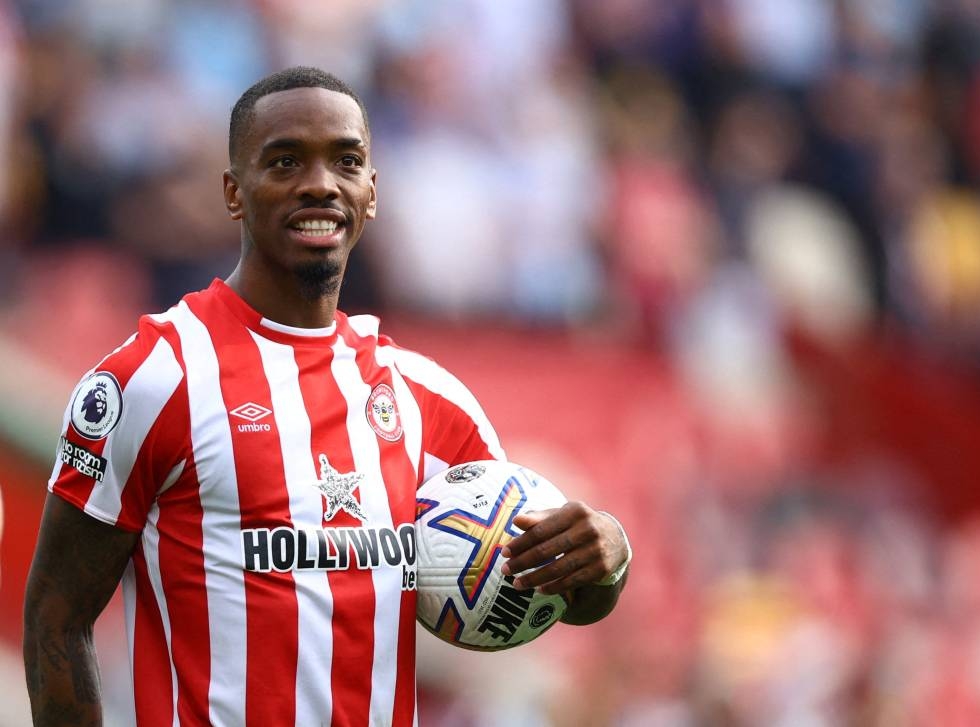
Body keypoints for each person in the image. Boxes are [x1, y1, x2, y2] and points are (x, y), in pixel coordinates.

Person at [22, 66, 631, 727]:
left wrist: (605, 560)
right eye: (285, 161)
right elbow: (56, 621)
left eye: (346, 161)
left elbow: (548, 591)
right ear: (234, 192)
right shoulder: (154, 377)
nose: (320, 183)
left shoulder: (426, 400)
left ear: (371, 192)